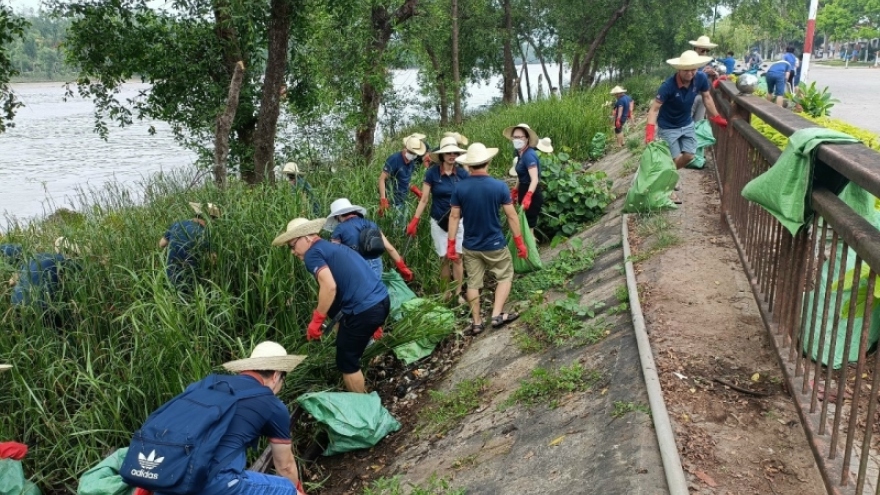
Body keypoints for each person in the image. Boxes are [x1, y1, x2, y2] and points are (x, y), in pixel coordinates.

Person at [141, 341, 306, 495]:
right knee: (288, 490)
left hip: (169, 477)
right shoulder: (272, 404)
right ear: (276, 376)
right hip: (215, 484)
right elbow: (285, 467)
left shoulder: (203, 385)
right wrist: (298, 489)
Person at [273, 218, 390, 393]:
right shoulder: (334, 248)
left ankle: (364, 410)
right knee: (348, 344)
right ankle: (367, 381)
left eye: (292, 245)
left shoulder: (312, 254)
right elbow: (361, 273)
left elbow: (329, 287)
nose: (293, 252)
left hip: (365, 310)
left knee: (346, 361)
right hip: (381, 301)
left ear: (306, 238)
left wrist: (316, 320)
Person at [447, 143, 528, 335]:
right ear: (488, 162)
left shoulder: (460, 188)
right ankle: (497, 314)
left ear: (468, 165)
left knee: (473, 283)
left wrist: (451, 245)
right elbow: (511, 216)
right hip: (494, 243)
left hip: (470, 245)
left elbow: (454, 217)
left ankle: (476, 322)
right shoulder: (499, 186)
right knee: (505, 275)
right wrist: (519, 242)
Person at [646, 50, 729, 175]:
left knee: (689, 156)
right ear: (679, 69)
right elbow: (654, 109)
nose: (690, 73)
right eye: (686, 70)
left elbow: (707, 97)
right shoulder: (667, 86)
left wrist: (717, 116)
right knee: (674, 158)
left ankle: (666, 176)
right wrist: (649, 132)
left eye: (693, 69)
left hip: (687, 123)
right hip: (668, 127)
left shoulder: (700, 77)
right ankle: (668, 181)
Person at [407, 136, 469, 302]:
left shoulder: (462, 174)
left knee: (457, 256)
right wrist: (415, 220)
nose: (451, 155)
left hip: (458, 221)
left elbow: (469, 197)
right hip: (438, 221)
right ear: (441, 155)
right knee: (444, 258)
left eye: (454, 152)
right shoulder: (432, 173)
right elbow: (424, 199)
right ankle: (446, 292)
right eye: (448, 152)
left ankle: (458, 293)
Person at [324, 197, 413, 281]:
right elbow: (389, 248)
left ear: (338, 216)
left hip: (357, 266)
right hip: (376, 264)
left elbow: (334, 255)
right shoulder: (371, 224)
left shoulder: (339, 229)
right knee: (376, 291)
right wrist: (402, 266)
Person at [159, 202, 219, 289]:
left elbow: (161, 244)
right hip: (191, 283)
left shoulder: (177, 224)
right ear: (209, 219)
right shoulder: (205, 234)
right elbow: (213, 262)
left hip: (170, 279)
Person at [10, 237, 79, 310]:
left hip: (15, 303)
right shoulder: (65, 261)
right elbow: (85, 278)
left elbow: (11, 281)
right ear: (72, 253)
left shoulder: (36, 256)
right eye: (76, 256)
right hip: (39, 308)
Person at [378, 134, 428, 226]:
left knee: (401, 228)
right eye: (411, 152)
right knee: (391, 228)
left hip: (403, 200)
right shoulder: (395, 159)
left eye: (415, 154)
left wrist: (414, 189)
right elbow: (381, 179)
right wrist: (383, 199)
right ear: (405, 148)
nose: (413, 155)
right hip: (392, 201)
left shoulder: (411, 162)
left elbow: (405, 180)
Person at [503, 123, 543, 235]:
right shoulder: (521, 154)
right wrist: (515, 191)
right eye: (515, 137)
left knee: (528, 228)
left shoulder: (529, 155)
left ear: (527, 138)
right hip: (523, 190)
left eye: (520, 137)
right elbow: (521, 176)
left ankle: (531, 251)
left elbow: (534, 179)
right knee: (523, 225)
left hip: (532, 194)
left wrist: (529, 196)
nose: (517, 140)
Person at [689, 36, 718, 121]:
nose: (705, 52)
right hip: (690, 95)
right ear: (696, 48)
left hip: (703, 96)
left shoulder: (708, 62)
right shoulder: (689, 60)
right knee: (685, 121)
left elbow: (716, 74)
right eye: (702, 50)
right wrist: (702, 73)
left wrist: (714, 73)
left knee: (698, 122)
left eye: (707, 50)